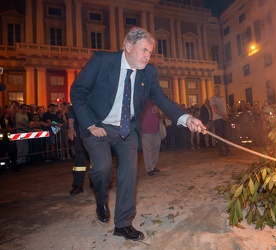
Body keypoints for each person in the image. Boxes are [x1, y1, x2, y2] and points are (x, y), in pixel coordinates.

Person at [70, 27, 205, 242]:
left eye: (150, 52)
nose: (147, 57)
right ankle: (101, 200)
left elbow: (161, 99)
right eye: (143, 51)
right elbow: (77, 91)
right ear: (128, 47)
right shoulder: (102, 61)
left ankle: (123, 224)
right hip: (98, 126)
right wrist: (89, 124)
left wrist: (186, 118)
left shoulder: (148, 72)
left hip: (127, 129)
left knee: (129, 174)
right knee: (103, 168)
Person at [67, 105, 90, 196]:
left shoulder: (94, 99)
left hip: (94, 133)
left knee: (95, 159)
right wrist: (71, 128)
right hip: (79, 133)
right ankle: (77, 185)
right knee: (79, 160)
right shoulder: (75, 103)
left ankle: (96, 182)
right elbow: (71, 116)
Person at [140, 98, 161, 177]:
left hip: (156, 129)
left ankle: (154, 165)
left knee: (156, 147)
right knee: (147, 149)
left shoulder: (155, 101)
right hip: (145, 129)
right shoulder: (142, 100)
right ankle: (149, 169)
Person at [210, 85, 231, 156]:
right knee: (220, 135)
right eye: (217, 90)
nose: (218, 91)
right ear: (214, 90)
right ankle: (221, 151)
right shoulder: (212, 99)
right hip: (218, 119)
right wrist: (223, 115)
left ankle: (227, 150)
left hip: (224, 118)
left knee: (227, 135)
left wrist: (226, 114)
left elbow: (225, 107)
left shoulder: (222, 98)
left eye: (219, 90)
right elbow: (215, 109)